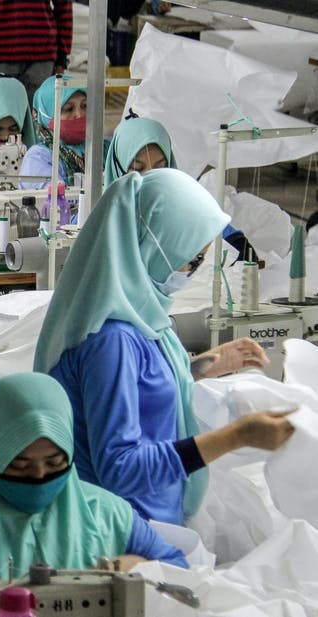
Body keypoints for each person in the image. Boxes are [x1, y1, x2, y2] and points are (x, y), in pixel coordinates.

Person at [33, 168, 295, 525]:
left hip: (156, 513)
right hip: (127, 529)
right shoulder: (111, 342)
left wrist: (205, 365)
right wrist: (236, 436)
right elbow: (121, 469)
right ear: (152, 247)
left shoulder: (140, 316)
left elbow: (139, 388)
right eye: (192, 260)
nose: (191, 271)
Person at [0, 373, 188, 577]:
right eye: (20, 465)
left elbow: (178, 570)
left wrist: (132, 566)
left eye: (54, 463)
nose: (38, 476)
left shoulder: (110, 516)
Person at [105, 116, 259, 263]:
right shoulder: (101, 219)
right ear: (118, 169)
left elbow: (234, 243)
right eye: (138, 169)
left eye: (160, 168)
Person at [0, 0, 71, 101]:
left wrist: (61, 59)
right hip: (19, 56)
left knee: (1, 116)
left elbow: (64, 7)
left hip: (29, 58)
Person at [19, 74, 86, 189]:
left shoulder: (103, 149)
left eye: (85, 106)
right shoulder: (38, 159)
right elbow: (55, 198)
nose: (79, 115)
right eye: (68, 109)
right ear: (47, 115)